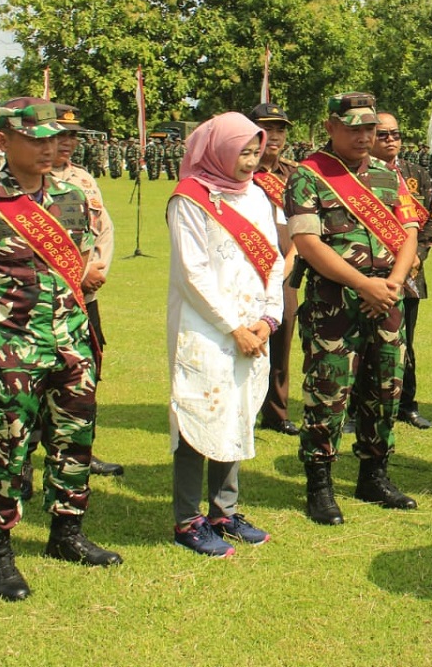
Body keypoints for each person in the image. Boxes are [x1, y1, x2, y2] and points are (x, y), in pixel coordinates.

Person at [0, 97, 123, 601]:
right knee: (7, 447)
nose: (49, 147)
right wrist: (0, 337)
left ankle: (66, 533)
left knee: (74, 439)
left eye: (52, 138)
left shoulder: (74, 197)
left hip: (70, 343)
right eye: (35, 138)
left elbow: (80, 264)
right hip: (11, 352)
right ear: (2, 141)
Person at [285, 92, 422, 525]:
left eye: (371, 129)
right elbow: (307, 242)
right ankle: (320, 485)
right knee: (329, 393)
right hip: (334, 304)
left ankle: (374, 475)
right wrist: (364, 283)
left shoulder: (388, 175)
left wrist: (393, 284)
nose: (365, 137)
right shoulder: (308, 176)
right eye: (354, 128)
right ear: (330, 127)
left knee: (385, 390)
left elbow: (409, 232)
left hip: (387, 300)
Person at [166, 112, 284, 557]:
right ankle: (186, 519)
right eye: (243, 152)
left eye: (256, 152)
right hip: (206, 330)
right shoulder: (189, 200)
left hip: (252, 328)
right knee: (200, 416)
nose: (251, 162)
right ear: (218, 150)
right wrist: (232, 327)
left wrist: (267, 319)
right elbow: (192, 274)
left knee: (236, 412)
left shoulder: (256, 196)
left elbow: (274, 260)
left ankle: (223, 511)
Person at [30, 103, 124, 484]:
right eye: (59, 135)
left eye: (71, 135)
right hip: (40, 299)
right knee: (36, 376)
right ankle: (23, 457)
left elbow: (102, 229)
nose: (66, 143)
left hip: (85, 297)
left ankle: (79, 448)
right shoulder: (23, 182)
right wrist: (78, 273)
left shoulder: (83, 180)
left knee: (85, 372)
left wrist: (97, 269)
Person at [371, 110, 432, 430]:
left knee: (405, 341)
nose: (391, 140)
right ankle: (360, 408)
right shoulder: (357, 176)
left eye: (395, 134)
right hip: (368, 274)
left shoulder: (417, 175)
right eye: (383, 135)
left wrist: (419, 254)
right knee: (366, 344)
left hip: (410, 277)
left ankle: (407, 405)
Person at [248, 102, 301, 437]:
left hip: (287, 267)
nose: (276, 136)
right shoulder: (240, 173)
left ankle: (277, 412)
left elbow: (307, 222)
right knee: (247, 337)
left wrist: (292, 258)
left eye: (281, 129)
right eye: (269, 129)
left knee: (282, 339)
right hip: (248, 266)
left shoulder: (293, 174)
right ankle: (243, 408)